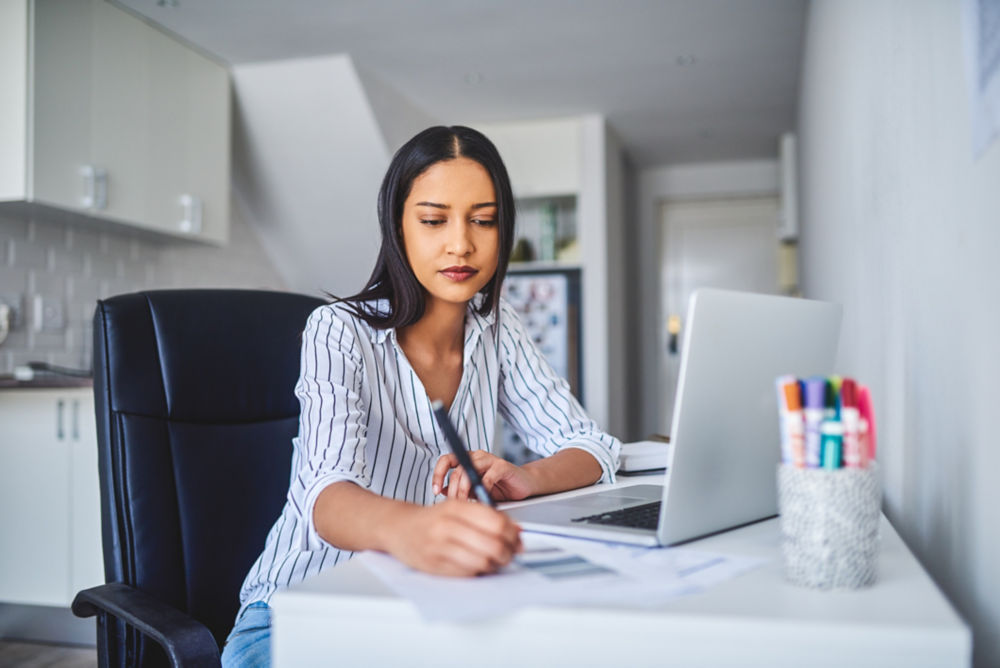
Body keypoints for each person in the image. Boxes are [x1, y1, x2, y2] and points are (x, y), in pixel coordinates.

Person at [221, 126, 620, 666]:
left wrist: (528, 478)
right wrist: (413, 529)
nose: (461, 243)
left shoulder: (499, 326)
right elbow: (325, 495)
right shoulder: (338, 331)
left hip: (429, 602)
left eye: (483, 220)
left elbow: (591, 447)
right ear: (398, 228)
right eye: (434, 221)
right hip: (300, 610)